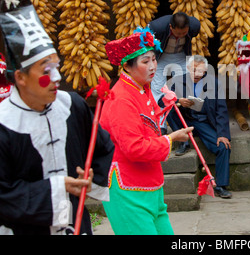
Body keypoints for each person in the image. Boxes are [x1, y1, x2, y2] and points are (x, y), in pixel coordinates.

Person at [0, 0, 114, 235]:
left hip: (75, 224)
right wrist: (58, 188)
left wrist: (89, 175)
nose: (57, 78)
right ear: (20, 78)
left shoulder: (72, 106)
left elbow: (102, 145)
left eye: (56, 66)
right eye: (46, 70)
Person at [99, 27, 193, 234]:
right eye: (145, 62)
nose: (152, 67)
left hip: (149, 184)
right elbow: (134, 147)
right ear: (127, 66)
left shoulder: (143, 88)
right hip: (127, 189)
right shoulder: (121, 99)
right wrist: (170, 139)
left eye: (153, 59)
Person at [160, 55, 232, 199]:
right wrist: (179, 101)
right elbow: (161, 103)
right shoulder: (178, 81)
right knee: (171, 108)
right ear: (188, 69)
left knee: (223, 147)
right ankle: (183, 141)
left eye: (201, 71)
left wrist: (222, 134)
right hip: (185, 122)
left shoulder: (214, 83)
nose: (198, 74)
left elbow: (221, 110)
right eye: (194, 70)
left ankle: (221, 186)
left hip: (204, 121)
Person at [148, 12, 200, 134]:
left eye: (184, 33)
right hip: (161, 56)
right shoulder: (156, 27)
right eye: (178, 33)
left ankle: (183, 123)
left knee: (183, 88)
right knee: (158, 89)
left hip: (180, 56)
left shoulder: (195, 26)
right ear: (171, 27)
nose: (181, 35)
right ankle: (161, 124)